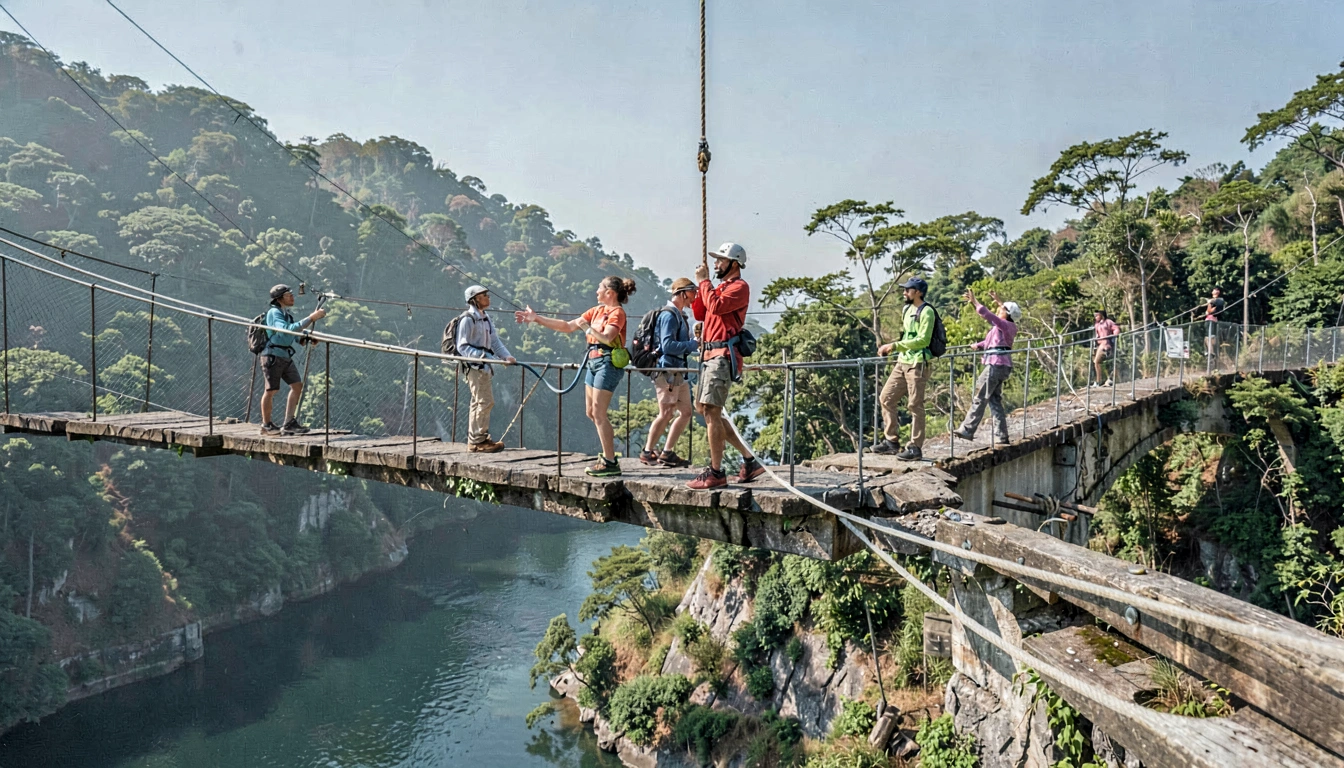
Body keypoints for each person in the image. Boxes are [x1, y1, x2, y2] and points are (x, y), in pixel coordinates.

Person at [516, 276, 635, 477]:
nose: (596, 291)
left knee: (599, 412)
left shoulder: (617, 313)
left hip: (608, 363)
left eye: (600, 287)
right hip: (593, 361)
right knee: (591, 411)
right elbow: (567, 326)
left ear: (610, 293)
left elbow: (607, 337)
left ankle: (610, 461)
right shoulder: (596, 311)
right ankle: (607, 456)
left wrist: (587, 328)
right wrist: (536, 318)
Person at [686, 243, 766, 490]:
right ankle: (750, 460)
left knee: (711, 410)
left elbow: (718, 307)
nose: (717, 264)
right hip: (709, 354)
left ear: (734, 263)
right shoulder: (719, 288)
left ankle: (716, 472)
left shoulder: (739, 287)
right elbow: (701, 313)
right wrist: (702, 286)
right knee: (706, 409)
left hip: (721, 355)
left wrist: (705, 282)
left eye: (721, 260)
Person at [872, 277, 935, 461]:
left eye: (908, 289)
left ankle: (915, 447)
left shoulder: (927, 312)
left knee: (915, 405)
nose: (904, 292)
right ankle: (891, 441)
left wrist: (894, 346)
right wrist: (898, 349)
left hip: (918, 363)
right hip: (903, 361)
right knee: (886, 397)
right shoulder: (907, 309)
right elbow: (908, 335)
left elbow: (923, 340)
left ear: (919, 292)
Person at [639, 277, 699, 468]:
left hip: (678, 372)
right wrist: (693, 344)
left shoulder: (679, 315)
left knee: (686, 412)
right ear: (682, 293)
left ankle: (666, 452)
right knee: (666, 413)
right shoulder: (669, 316)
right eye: (692, 293)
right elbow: (668, 345)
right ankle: (648, 452)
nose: (694, 298)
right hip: (668, 372)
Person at [952, 289, 1020, 445]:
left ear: (1007, 313)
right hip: (1002, 365)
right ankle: (1001, 436)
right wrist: (978, 345)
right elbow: (994, 343)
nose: (999, 309)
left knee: (980, 396)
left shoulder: (1004, 324)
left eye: (1002, 309)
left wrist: (974, 302)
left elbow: (987, 314)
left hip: (995, 364)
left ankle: (968, 429)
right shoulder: (1008, 327)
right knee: (994, 400)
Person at [456, 285, 517, 453]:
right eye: (484, 296)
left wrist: (506, 356)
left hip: (485, 367)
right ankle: (478, 441)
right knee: (484, 401)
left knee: (479, 401)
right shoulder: (468, 319)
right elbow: (462, 346)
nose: (488, 298)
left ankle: (477, 439)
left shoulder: (485, 318)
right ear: (475, 300)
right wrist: (485, 358)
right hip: (475, 367)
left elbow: (495, 341)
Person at [259, 284, 326, 436]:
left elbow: (292, 334)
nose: (292, 297)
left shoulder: (286, 314)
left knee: (297, 386)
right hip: (272, 355)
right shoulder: (274, 313)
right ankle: (266, 425)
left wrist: (305, 338)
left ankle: (289, 423)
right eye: (289, 295)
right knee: (271, 390)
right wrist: (311, 318)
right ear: (280, 298)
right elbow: (286, 329)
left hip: (284, 355)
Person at [1092, 309, 1120, 387]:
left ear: (1101, 315)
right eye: (1095, 316)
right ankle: (1098, 381)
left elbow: (1116, 329)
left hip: (1108, 344)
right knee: (1096, 362)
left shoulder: (1108, 322)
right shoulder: (1097, 325)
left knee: (1112, 363)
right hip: (1100, 345)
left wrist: (1114, 334)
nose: (1095, 317)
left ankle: (1110, 379)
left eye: (1097, 315)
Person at [1204, 287, 1225, 360]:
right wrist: (1209, 307)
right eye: (1213, 290)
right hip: (1208, 320)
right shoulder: (1211, 301)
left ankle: (1212, 352)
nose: (1214, 291)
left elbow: (1211, 310)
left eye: (1216, 290)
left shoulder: (1219, 300)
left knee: (1212, 336)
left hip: (1213, 320)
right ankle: (1209, 352)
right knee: (1207, 337)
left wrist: (1210, 306)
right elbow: (1208, 311)